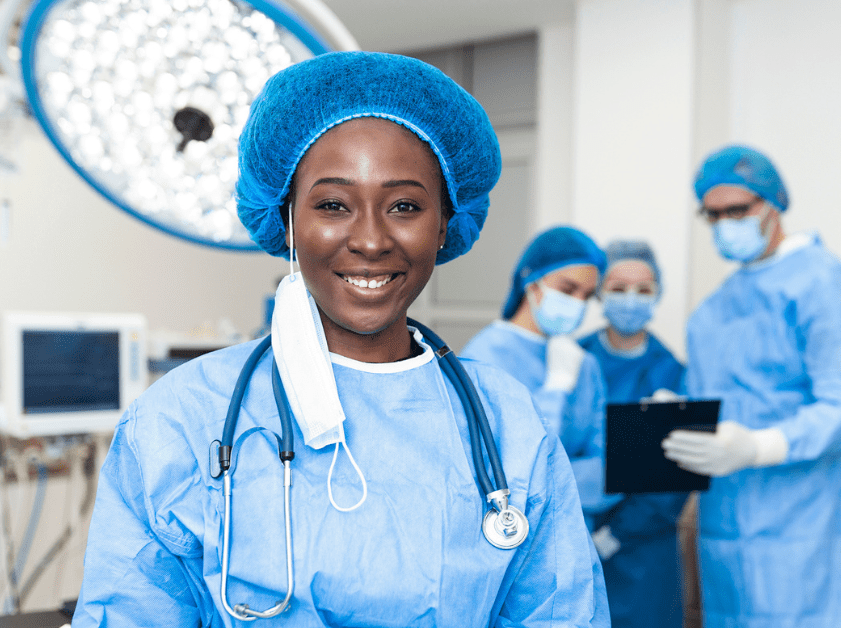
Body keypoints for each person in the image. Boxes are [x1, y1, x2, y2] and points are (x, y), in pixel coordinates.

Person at [73, 52, 609, 627]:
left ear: (446, 225)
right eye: (332, 205)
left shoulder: (507, 425)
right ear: (286, 222)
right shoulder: (180, 421)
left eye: (405, 206)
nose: (372, 240)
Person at [662, 145, 841, 627]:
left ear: (774, 204)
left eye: (737, 210)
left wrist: (760, 446)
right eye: (714, 214)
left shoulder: (821, 285)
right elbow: (722, 401)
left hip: (807, 529)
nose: (725, 223)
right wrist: (674, 414)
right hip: (726, 529)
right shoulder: (715, 309)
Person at [461, 226, 615, 522]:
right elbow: (500, 473)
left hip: (577, 534)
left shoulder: (584, 365)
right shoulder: (482, 358)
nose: (578, 304)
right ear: (530, 281)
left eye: (587, 295)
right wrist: (554, 392)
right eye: (568, 290)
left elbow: (608, 470)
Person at [578, 239, 689, 628]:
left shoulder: (672, 373)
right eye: (618, 288)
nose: (630, 299)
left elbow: (671, 479)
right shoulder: (574, 359)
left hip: (645, 551)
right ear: (599, 292)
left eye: (643, 290)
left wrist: (615, 534)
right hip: (573, 534)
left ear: (657, 294)